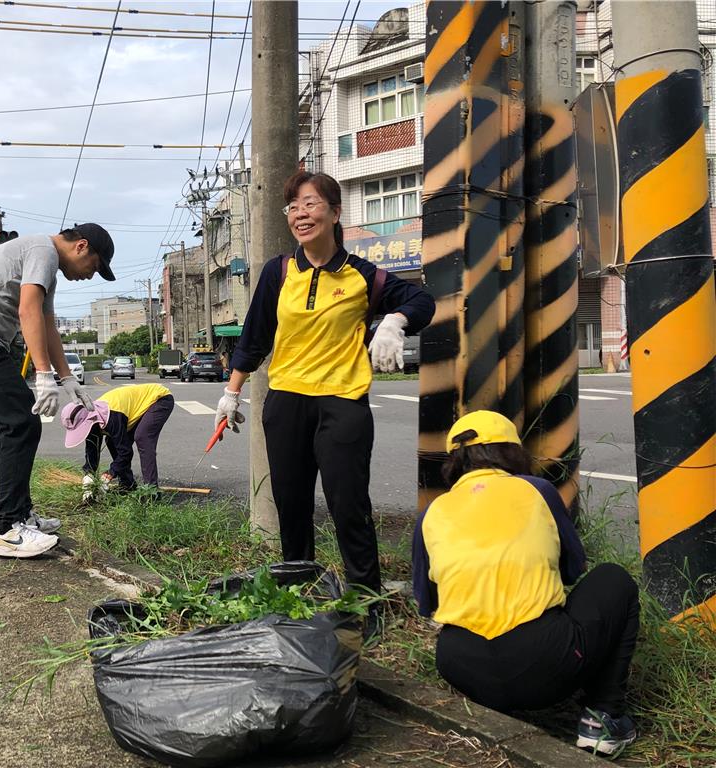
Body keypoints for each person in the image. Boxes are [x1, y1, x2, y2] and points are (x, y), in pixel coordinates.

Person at [214, 171, 435, 641]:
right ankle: (299, 596)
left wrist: (395, 320)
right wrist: (231, 392)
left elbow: (421, 299)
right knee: (291, 506)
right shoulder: (279, 272)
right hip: (287, 402)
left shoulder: (363, 275)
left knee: (348, 504)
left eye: (311, 204)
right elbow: (254, 337)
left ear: (335, 213)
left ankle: (365, 603)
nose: (300, 214)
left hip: (342, 402)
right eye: (293, 207)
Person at [411, 410, 640, 757]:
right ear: (512, 452)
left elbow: (427, 603)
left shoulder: (433, 511)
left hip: (461, 663)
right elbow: (573, 569)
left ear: (454, 461)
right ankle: (602, 718)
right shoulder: (538, 490)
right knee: (614, 580)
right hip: (544, 659)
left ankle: (498, 703)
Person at [0, 224, 116, 558]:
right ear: (81, 246)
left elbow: (47, 325)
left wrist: (67, 378)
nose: (90, 276)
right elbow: (28, 311)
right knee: (21, 423)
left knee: (10, 424)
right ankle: (8, 530)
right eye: (94, 267)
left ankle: (18, 514)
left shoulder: (42, 259)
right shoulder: (42, 252)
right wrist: (43, 376)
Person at [60, 383, 174, 498]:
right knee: (112, 441)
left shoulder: (111, 417)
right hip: (132, 408)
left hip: (159, 399)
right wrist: (89, 475)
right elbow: (92, 449)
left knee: (142, 437)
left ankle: (151, 491)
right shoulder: (92, 421)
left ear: (87, 421)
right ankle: (127, 485)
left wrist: (109, 474)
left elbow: (126, 452)